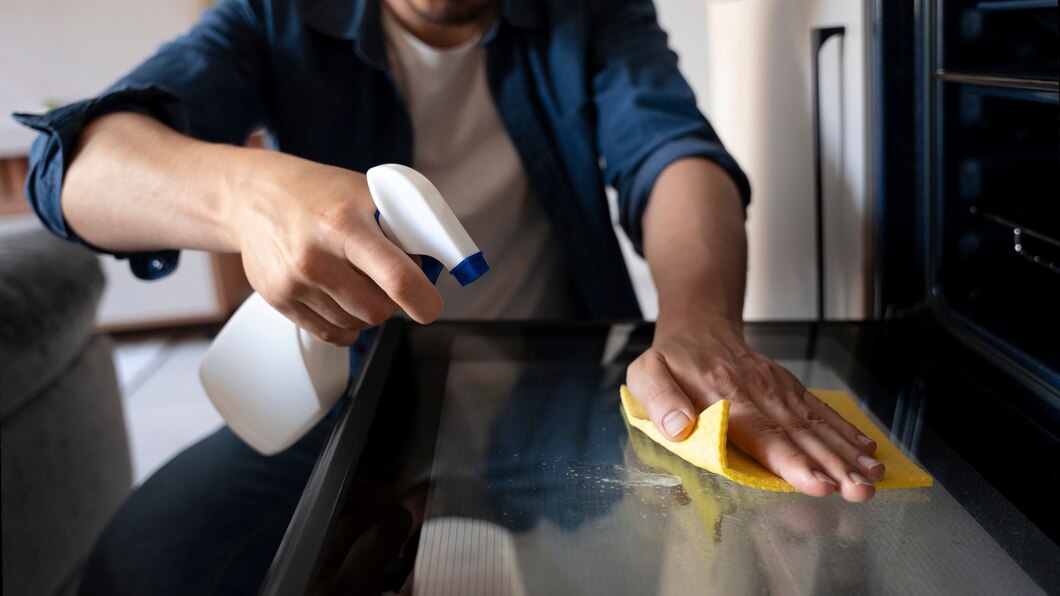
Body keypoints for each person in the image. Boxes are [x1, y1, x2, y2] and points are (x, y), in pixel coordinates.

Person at [15, 0, 886, 592]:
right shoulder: (274, 17)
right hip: (342, 402)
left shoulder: (592, 13)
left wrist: (701, 329)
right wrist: (251, 195)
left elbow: (671, 152)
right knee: (145, 568)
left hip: (570, 397)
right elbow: (76, 166)